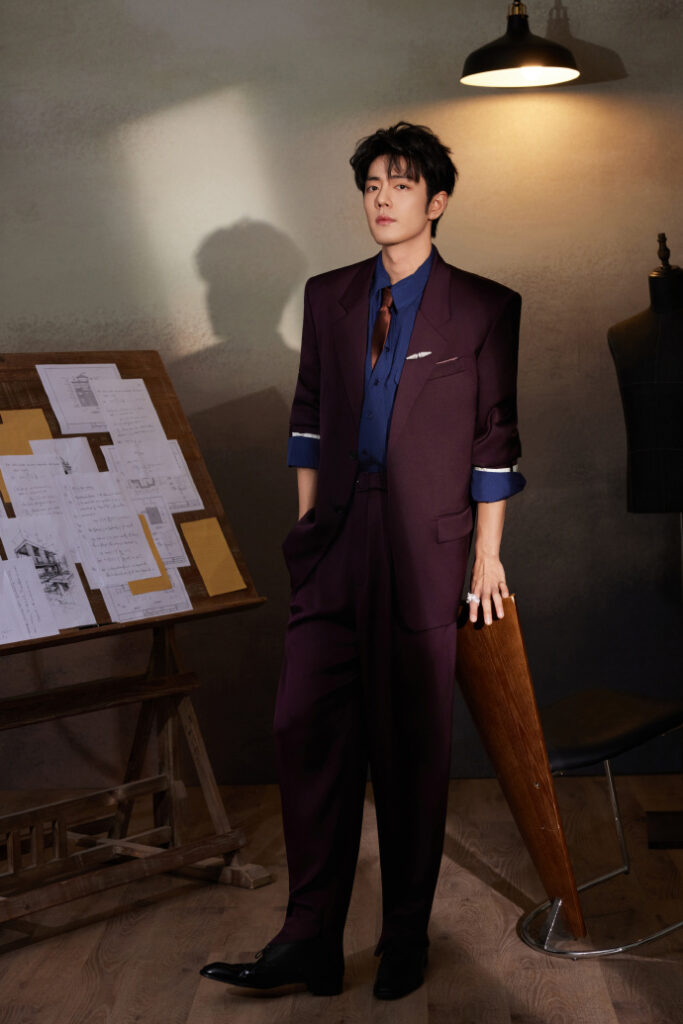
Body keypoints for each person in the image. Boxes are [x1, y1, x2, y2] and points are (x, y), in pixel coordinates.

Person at [200, 121, 526, 1000]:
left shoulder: (485, 306)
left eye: (400, 184)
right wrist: (308, 528)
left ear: (437, 201)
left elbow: (495, 439)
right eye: (372, 185)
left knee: (411, 745)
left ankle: (404, 938)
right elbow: (308, 416)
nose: (381, 199)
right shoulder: (330, 296)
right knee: (303, 730)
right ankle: (307, 940)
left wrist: (485, 556)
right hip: (335, 541)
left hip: (425, 548)